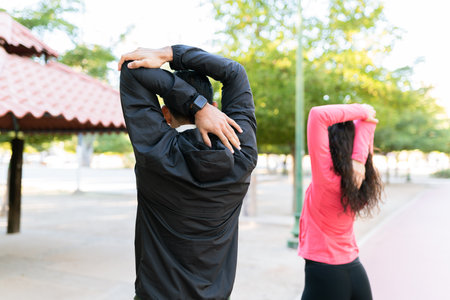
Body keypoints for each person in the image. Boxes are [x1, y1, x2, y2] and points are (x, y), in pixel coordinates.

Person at [118, 45, 257, 300]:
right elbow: (235, 73)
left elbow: (131, 72)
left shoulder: (156, 154)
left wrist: (198, 106)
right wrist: (170, 54)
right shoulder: (242, 156)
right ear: (218, 106)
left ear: (164, 113)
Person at [298, 104, 383, 300]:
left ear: (331, 143)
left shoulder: (326, 180)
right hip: (356, 273)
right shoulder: (358, 185)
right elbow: (367, 126)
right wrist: (359, 159)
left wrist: (362, 109)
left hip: (325, 276)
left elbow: (317, 115)